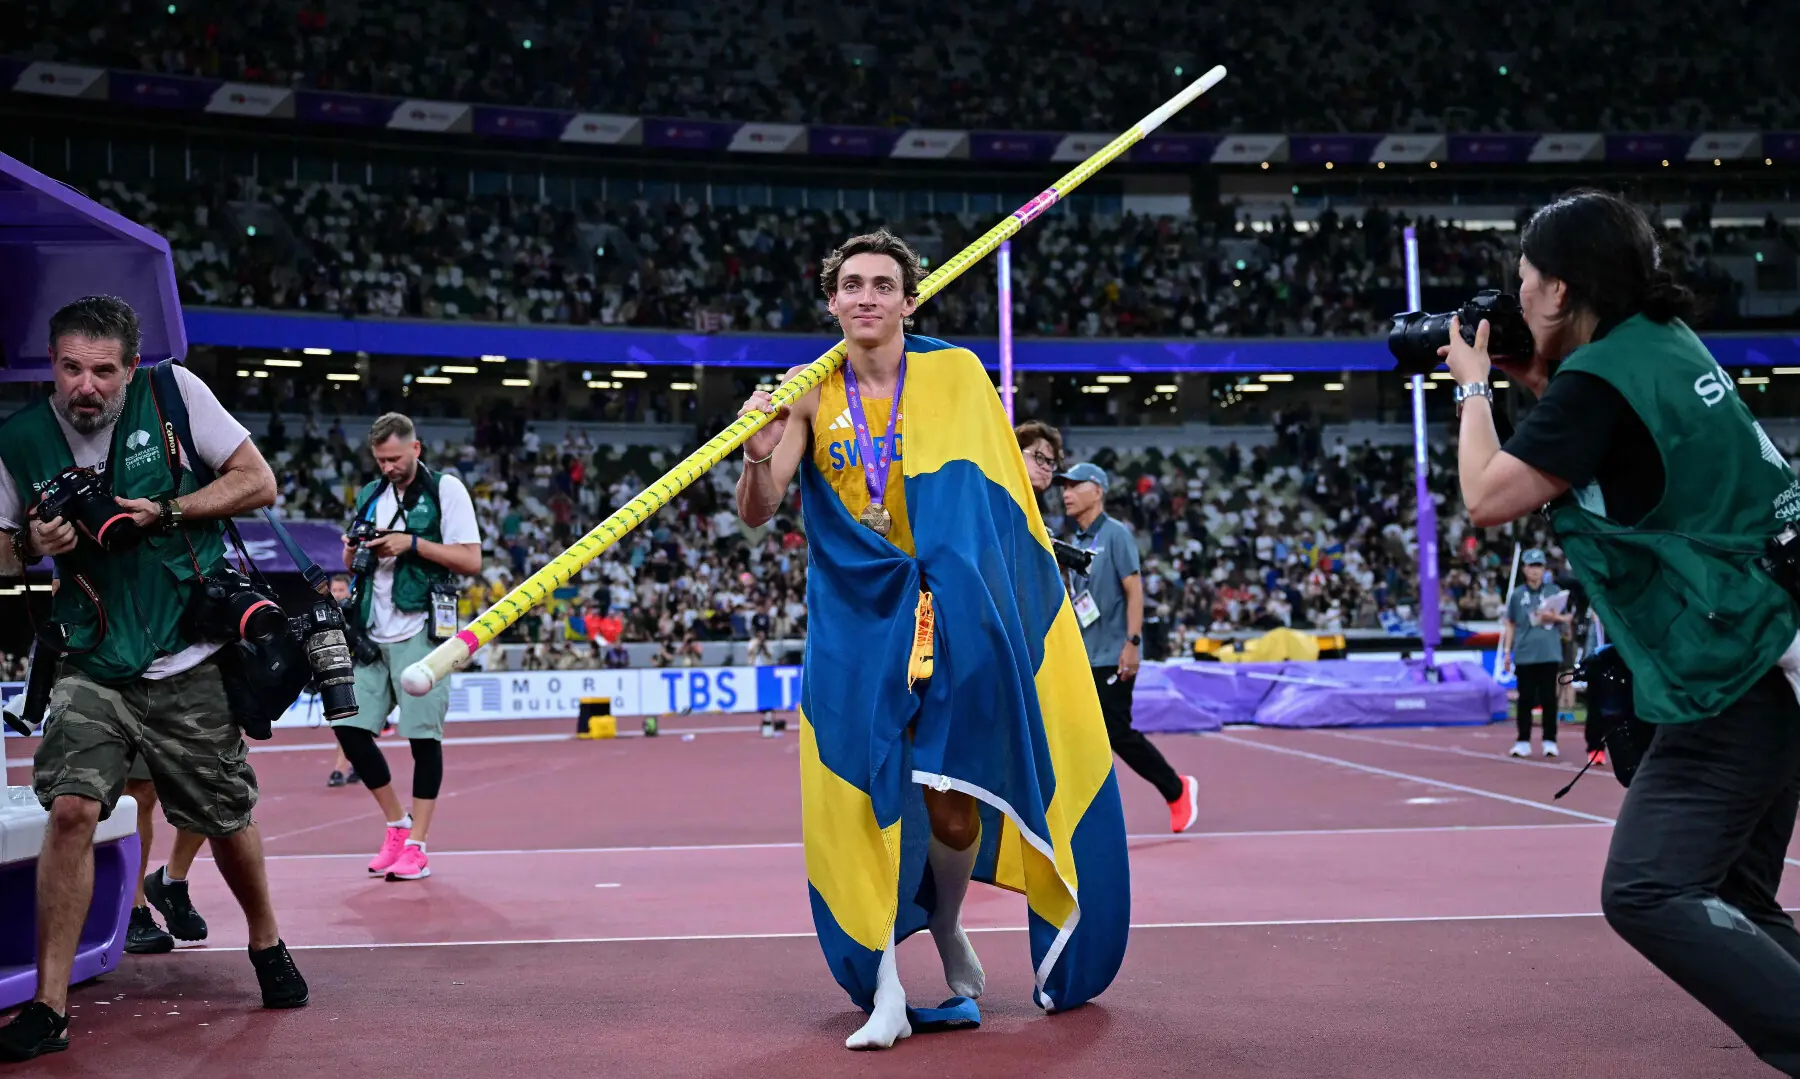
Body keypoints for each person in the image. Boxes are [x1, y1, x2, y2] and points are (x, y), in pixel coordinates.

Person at [735, 230, 1128, 1050]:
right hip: (857, 616)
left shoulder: (955, 375)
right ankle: (881, 983)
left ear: (910, 301)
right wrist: (756, 454)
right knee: (857, 795)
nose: (868, 297)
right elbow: (761, 506)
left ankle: (947, 926)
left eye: (884, 284)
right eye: (852, 284)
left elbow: (999, 501)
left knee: (952, 801)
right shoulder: (808, 392)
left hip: (953, 610)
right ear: (832, 299)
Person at [1445, 189, 1800, 1075]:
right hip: (1773, 635)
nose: (1517, 298)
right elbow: (1618, 457)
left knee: (1648, 888)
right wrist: (1537, 381)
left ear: (1561, 291)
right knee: (1734, 893)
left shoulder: (1598, 384)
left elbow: (1487, 496)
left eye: (1524, 280)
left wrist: (1476, 387)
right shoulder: (1662, 345)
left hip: (1732, 664)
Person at [0, 296, 306, 1062]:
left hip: (188, 656)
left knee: (225, 815)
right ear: (52, 364)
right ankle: (49, 1002)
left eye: (104, 370)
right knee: (71, 811)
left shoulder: (176, 394)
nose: (86, 386)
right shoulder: (21, 439)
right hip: (91, 662)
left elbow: (257, 481)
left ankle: (266, 941)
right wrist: (32, 543)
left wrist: (164, 510)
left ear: (129, 368)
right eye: (71, 367)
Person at [1016, 426, 1199, 831]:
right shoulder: (1076, 539)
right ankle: (1084, 812)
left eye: (1074, 486)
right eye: (1062, 487)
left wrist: (1132, 643)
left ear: (1096, 490)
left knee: (1115, 730)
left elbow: (1134, 591)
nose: (1065, 493)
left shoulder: (1115, 535)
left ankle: (1176, 788)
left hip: (1114, 651)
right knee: (1080, 732)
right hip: (1086, 653)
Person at [334, 413, 481, 883]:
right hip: (371, 631)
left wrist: (410, 543)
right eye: (380, 460)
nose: (388, 467)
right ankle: (397, 826)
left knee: (423, 740)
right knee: (349, 728)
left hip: (424, 628)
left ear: (416, 448)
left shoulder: (446, 489)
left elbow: (470, 559)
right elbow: (350, 562)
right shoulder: (373, 493)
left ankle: (418, 845)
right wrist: (355, 549)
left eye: (395, 459)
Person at [1499, 548, 1568, 758]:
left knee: (1549, 698)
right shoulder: (1517, 595)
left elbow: (1566, 621)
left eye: (1539, 566)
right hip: (1525, 652)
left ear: (1544, 569)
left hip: (1549, 652)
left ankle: (1550, 740)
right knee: (1525, 699)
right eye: (1531, 566)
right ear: (1524, 569)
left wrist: (1553, 617)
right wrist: (1507, 652)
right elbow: (1510, 624)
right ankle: (1523, 741)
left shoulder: (1554, 591)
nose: (1535, 571)